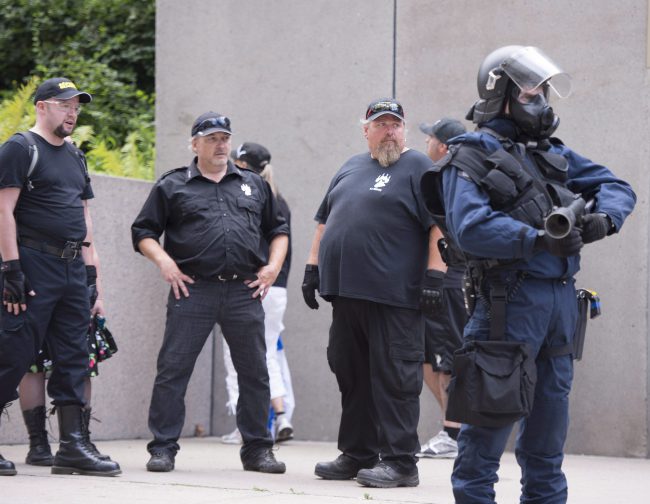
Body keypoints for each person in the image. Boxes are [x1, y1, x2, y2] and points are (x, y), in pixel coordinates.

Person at [420, 46, 636, 503]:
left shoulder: (549, 153)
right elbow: (472, 228)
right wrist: (539, 239)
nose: (541, 103)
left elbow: (616, 186)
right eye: (532, 93)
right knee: (482, 447)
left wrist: (604, 220)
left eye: (542, 92)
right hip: (505, 306)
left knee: (546, 445)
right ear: (502, 96)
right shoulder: (470, 156)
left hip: (558, 304)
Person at [131, 112, 289, 474]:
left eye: (225, 138)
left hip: (243, 290)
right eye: (212, 138)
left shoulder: (253, 184)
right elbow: (143, 232)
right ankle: (163, 448)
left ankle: (258, 450)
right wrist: (164, 263)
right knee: (173, 369)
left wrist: (273, 267)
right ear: (195, 144)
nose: (221, 145)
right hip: (193, 290)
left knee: (254, 372)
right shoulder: (173, 185)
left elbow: (278, 230)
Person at [302, 98, 445, 488]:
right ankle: (357, 452)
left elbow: (439, 226)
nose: (389, 131)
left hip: (394, 297)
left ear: (404, 129)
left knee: (395, 378)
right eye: (380, 124)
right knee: (351, 374)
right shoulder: (350, 166)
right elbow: (324, 221)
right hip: (346, 296)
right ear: (365, 130)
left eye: (395, 124)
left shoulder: (418, 167)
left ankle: (400, 462)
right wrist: (312, 268)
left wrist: (435, 276)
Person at [0, 77, 120, 477]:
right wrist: (10, 269)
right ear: (41, 107)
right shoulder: (20, 148)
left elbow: (83, 217)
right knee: (14, 352)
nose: (72, 113)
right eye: (65, 105)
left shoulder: (74, 155)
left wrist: (90, 275)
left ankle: (72, 446)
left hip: (72, 267)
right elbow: (3, 210)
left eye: (77, 107)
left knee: (73, 357)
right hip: (33, 264)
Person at [220, 142, 295, 444]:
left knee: (238, 356)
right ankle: (281, 415)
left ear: (242, 164)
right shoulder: (279, 200)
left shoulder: (250, 198)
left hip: (254, 286)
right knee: (268, 353)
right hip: (278, 289)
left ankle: (248, 425)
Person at [416, 118, 467, 459]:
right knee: (428, 361)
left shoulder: (447, 179)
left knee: (445, 359)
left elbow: (440, 230)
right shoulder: (441, 177)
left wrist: (435, 278)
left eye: (431, 137)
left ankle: (454, 433)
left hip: (446, 280)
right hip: (440, 279)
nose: (427, 142)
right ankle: (456, 426)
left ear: (443, 147)